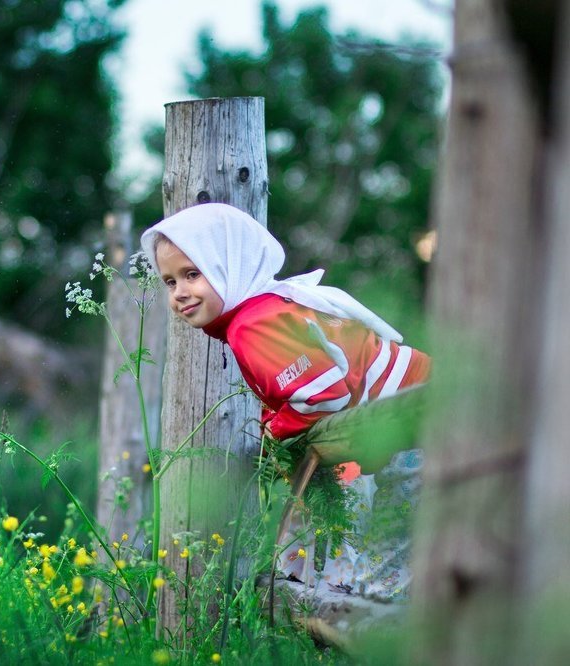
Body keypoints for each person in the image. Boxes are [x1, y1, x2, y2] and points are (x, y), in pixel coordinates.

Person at [140, 202, 430, 600]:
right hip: (403, 423)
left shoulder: (254, 325)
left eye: (192, 274)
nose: (180, 293)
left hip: (422, 424)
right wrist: (276, 419)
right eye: (170, 281)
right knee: (368, 551)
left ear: (231, 264)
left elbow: (327, 393)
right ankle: (319, 594)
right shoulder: (262, 312)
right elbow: (304, 387)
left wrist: (277, 430)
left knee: (384, 580)